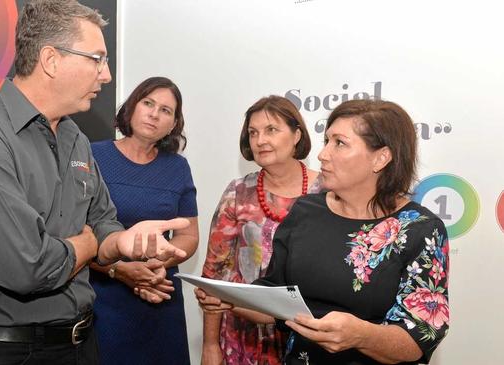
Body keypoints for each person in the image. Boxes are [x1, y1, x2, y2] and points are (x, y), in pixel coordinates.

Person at [0, 1, 188, 364]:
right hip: (11, 352)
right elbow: (28, 266)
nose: (107, 75)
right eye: (97, 58)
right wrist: (90, 241)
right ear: (51, 60)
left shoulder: (75, 139)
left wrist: (119, 241)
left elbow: (103, 220)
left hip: (83, 344)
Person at [197, 99, 450, 365]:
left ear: (380, 158)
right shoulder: (306, 210)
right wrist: (227, 299)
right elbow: (275, 300)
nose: (323, 154)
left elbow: (419, 337)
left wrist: (363, 336)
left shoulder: (421, 229)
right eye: (326, 141)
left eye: (339, 143)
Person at [201, 95, 320, 365]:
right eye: (253, 133)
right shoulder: (237, 192)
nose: (260, 140)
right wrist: (210, 345)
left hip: (308, 335)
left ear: (297, 135)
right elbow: (215, 273)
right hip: (243, 335)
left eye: (271, 130)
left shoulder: (327, 192)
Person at [88, 76, 199, 365]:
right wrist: (121, 270)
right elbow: (78, 232)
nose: (154, 113)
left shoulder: (178, 167)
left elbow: (189, 235)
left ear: (174, 124)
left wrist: (157, 266)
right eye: (148, 103)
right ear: (132, 107)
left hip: (160, 293)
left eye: (166, 110)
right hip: (104, 296)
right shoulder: (92, 155)